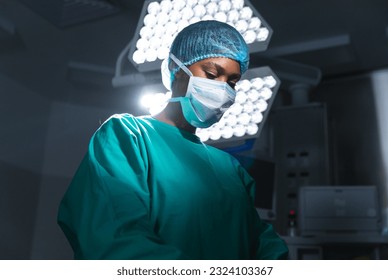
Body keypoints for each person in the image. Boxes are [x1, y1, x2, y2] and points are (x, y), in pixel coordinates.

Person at [57, 20, 288, 260]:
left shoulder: (232, 171)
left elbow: (264, 246)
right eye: (211, 74)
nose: (223, 89)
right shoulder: (129, 136)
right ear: (176, 69)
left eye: (232, 82)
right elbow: (114, 237)